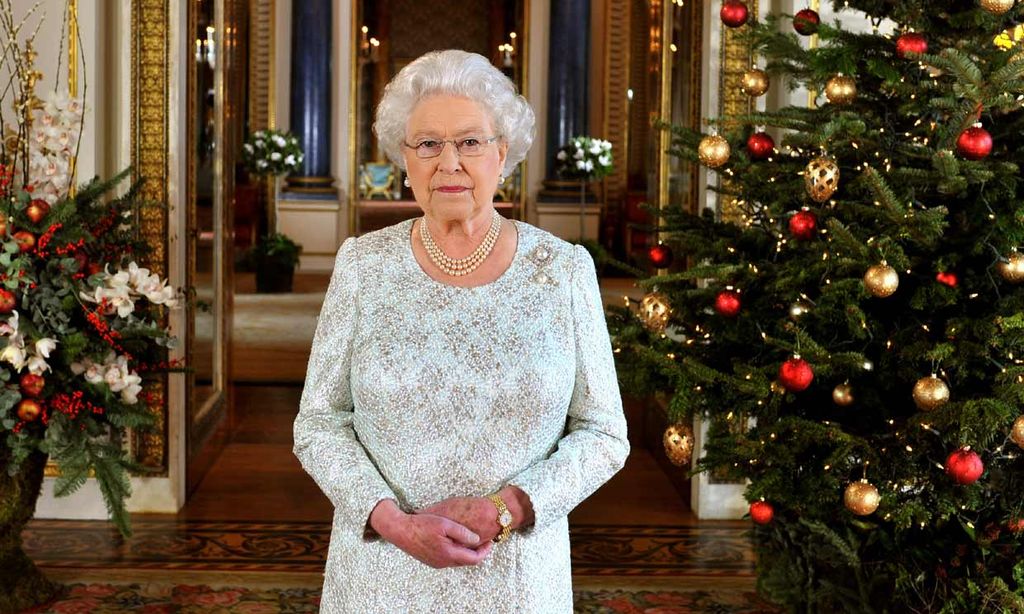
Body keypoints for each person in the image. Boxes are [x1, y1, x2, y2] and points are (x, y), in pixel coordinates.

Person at [293, 49, 629, 613]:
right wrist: (392, 521)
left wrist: (510, 508)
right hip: (382, 576)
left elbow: (603, 434)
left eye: (470, 142)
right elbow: (319, 424)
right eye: (427, 144)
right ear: (405, 159)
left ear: (504, 153)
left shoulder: (563, 270)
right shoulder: (363, 265)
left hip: (518, 580)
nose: (449, 163)